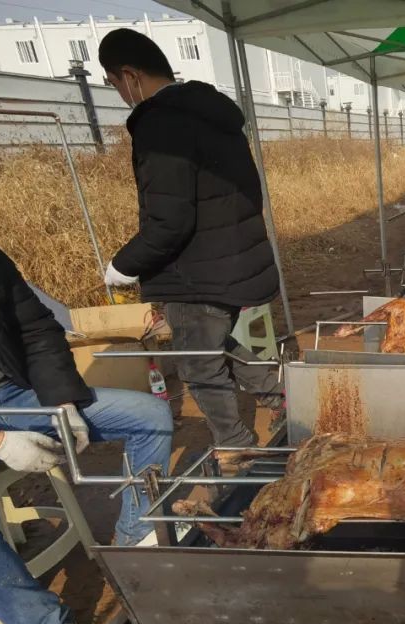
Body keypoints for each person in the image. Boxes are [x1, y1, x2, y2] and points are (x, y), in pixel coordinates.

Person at [0, 184, 174, 624]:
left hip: (17, 391)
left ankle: (135, 533)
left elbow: (35, 327)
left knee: (151, 416)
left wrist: (63, 400)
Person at [97, 29, 282, 457]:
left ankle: (236, 447)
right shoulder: (211, 114)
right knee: (214, 344)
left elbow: (169, 219)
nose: (120, 94)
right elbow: (246, 193)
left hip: (196, 273)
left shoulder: (160, 124)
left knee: (199, 365)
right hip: (233, 262)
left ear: (129, 75)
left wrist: (124, 264)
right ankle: (281, 396)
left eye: (113, 83)